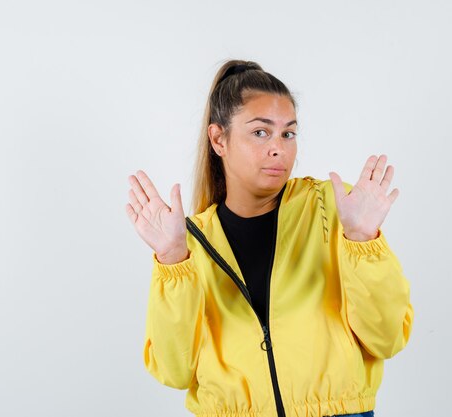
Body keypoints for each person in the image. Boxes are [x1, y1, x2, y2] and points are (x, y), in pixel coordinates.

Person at [125, 59, 414, 417]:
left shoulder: (335, 210)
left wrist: (362, 238)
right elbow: (173, 370)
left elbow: (387, 339)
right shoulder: (189, 242)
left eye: (288, 133)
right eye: (261, 132)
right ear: (219, 139)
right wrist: (172, 259)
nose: (278, 148)